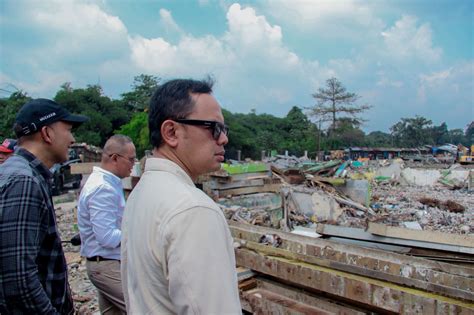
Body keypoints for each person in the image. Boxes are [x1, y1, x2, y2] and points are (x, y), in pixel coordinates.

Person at [121, 78, 241, 314]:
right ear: (171, 132)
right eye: (213, 127)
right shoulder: (193, 210)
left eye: (224, 129)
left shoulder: (142, 193)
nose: (223, 138)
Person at [0, 98, 88, 314]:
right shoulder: (24, 181)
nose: (72, 139)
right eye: (68, 130)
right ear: (47, 133)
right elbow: (19, 280)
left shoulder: (21, 173)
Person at [78, 134, 136, 315]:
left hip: (105, 264)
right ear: (115, 158)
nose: (133, 165)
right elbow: (107, 237)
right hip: (106, 265)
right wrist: (137, 231)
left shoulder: (107, 183)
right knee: (139, 308)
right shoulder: (103, 188)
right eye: (131, 159)